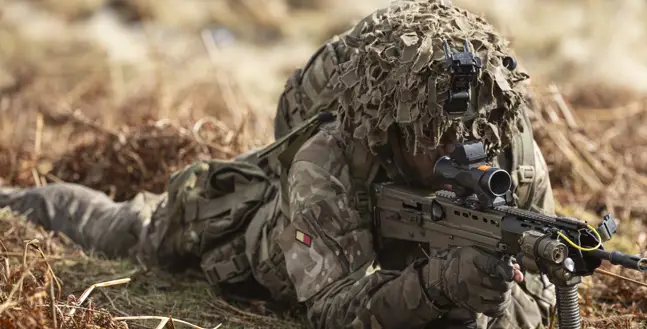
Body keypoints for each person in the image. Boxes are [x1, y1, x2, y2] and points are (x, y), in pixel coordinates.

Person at [0, 1, 556, 328]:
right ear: (388, 130)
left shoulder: (509, 149)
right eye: (430, 139)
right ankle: (19, 200)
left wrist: (490, 302)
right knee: (135, 230)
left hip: (393, 268)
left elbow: (545, 288)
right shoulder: (332, 157)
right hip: (262, 240)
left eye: (469, 133)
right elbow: (331, 309)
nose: (455, 152)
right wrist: (436, 285)